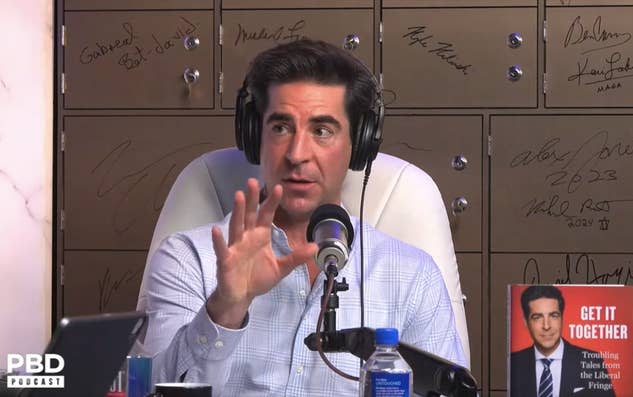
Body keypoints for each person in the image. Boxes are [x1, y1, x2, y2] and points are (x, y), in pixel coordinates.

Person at [137, 39, 466, 396]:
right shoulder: (189, 259)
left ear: (359, 144)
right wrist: (225, 308)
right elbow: (154, 391)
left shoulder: (414, 276)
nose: (297, 154)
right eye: (280, 128)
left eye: (322, 130)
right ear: (253, 136)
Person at [510, 286, 615, 397]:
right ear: (526, 322)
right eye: (537, 317)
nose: (546, 326)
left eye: (554, 316)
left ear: (562, 318)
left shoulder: (591, 361)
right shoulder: (513, 363)